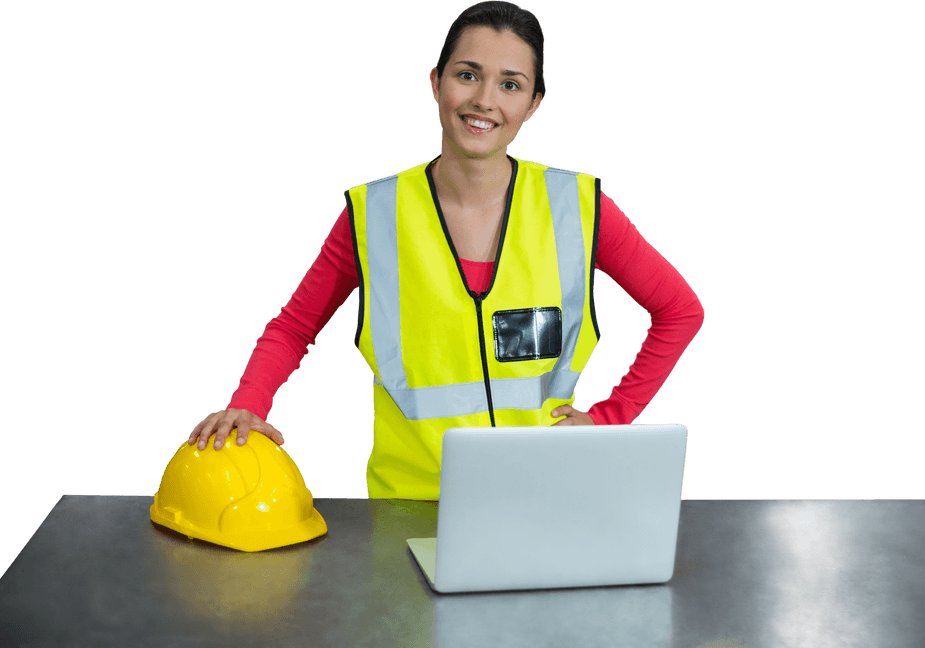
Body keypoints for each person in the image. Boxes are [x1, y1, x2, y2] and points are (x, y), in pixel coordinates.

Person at [188, 0, 705, 499]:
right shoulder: (373, 216)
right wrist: (246, 405)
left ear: (533, 105)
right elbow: (294, 328)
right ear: (436, 83)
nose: (485, 100)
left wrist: (608, 422)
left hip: (546, 497)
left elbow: (680, 311)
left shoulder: (579, 209)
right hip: (409, 508)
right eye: (467, 74)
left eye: (510, 85)